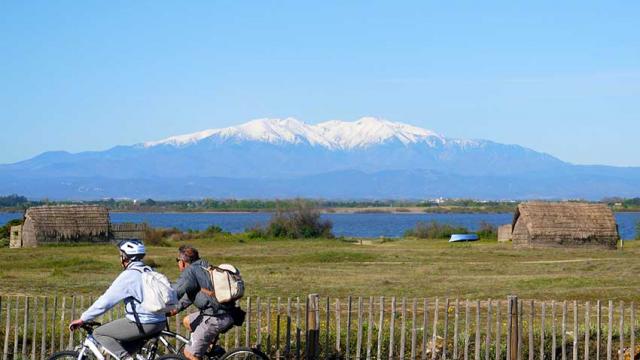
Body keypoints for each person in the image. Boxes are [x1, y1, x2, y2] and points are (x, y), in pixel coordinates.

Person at [69, 239, 167, 360]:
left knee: (99, 333)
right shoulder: (149, 270)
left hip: (144, 323)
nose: (119, 258)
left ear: (125, 257)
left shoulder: (129, 275)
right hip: (160, 321)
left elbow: (106, 301)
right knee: (121, 349)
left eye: (121, 255)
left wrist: (83, 318)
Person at [168, 245, 234, 360]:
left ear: (183, 262)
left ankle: (198, 351)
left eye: (177, 260)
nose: (178, 263)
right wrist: (174, 310)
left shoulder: (190, 272)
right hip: (225, 312)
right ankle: (208, 350)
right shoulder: (204, 265)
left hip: (215, 316)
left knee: (190, 354)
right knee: (187, 321)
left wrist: (159, 306)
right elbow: (191, 294)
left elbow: (176, 291)